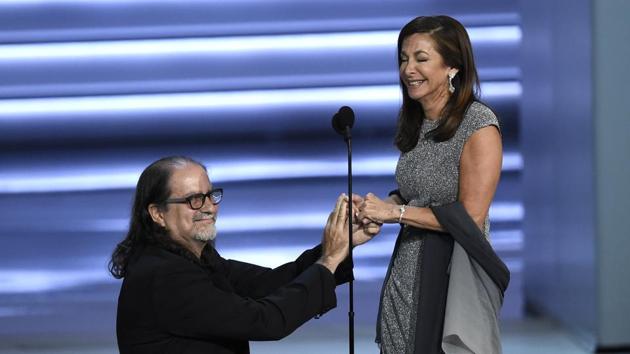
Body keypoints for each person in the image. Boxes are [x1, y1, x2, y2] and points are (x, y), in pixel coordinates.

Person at [109, 156, 379, 354]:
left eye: (210, 196)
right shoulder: (164, 276)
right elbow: (265, 321)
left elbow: (270, 284)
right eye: (194, 200)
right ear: (158, 214)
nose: (209, 208)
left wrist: (341, 245)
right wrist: (329, 260)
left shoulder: (196, 260)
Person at [355, 16, 510, 354]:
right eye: (403, 59)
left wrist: (394, 212)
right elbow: (416, 193)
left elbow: (469, 216)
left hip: (451, 279)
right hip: (405, 275)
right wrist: (376, 208)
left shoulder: (479, 125)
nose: (408, 69)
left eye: (421, 58)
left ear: (453, 66)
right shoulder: (418, 121)